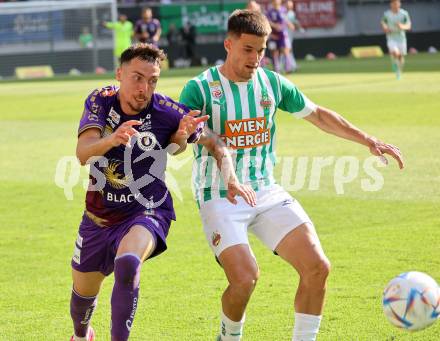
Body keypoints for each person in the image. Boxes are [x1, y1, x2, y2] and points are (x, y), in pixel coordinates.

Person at [179, 10, 404, 341]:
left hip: (266, 192)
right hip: (219, 196)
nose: (256, 58)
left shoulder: (271, 83)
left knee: (318, 267)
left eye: (261, 50)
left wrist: (368, 140)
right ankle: (228, 337)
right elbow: (179, 140)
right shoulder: (199, 89)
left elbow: (318, 115)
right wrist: (180, 136)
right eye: (248, 50)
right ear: (228, 44)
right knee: (245, 278)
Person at [69, 43, 255, 341]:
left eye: (153, 80)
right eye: (137, 78)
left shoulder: (166, 110)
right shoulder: (100, 101)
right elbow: (83, 153)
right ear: (120, 74)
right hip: (98, 217)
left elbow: (213, 142)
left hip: (147, 210)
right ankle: (82, 335)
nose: (144, 88)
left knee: (128, 263)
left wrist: (188, 144)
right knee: (82, 298)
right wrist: (113, 139)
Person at [381, 0, 411, 79]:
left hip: (401, 38)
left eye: (397, 3)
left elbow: (408, 26)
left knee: (400, 56)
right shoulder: (387, 14)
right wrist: (386, 29)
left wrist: (402, 26)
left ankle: (398, 69)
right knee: (395, 52)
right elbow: (383, 23)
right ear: (391, 4)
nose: (395, 4)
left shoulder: (404, 14)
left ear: (399, 4)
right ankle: (397, 70)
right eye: (393, 3)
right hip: (391, 37)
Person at [266, 0, 296, 73]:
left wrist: (290, 24)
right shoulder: (269, 11)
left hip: (282, 34)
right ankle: (277, 69)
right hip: (273, 34)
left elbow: (286, 19)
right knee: (274, 51)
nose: (276, 2)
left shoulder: (283, 10)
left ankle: (288, 68)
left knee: (286, 50)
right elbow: (267, 21)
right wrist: (275, 25)